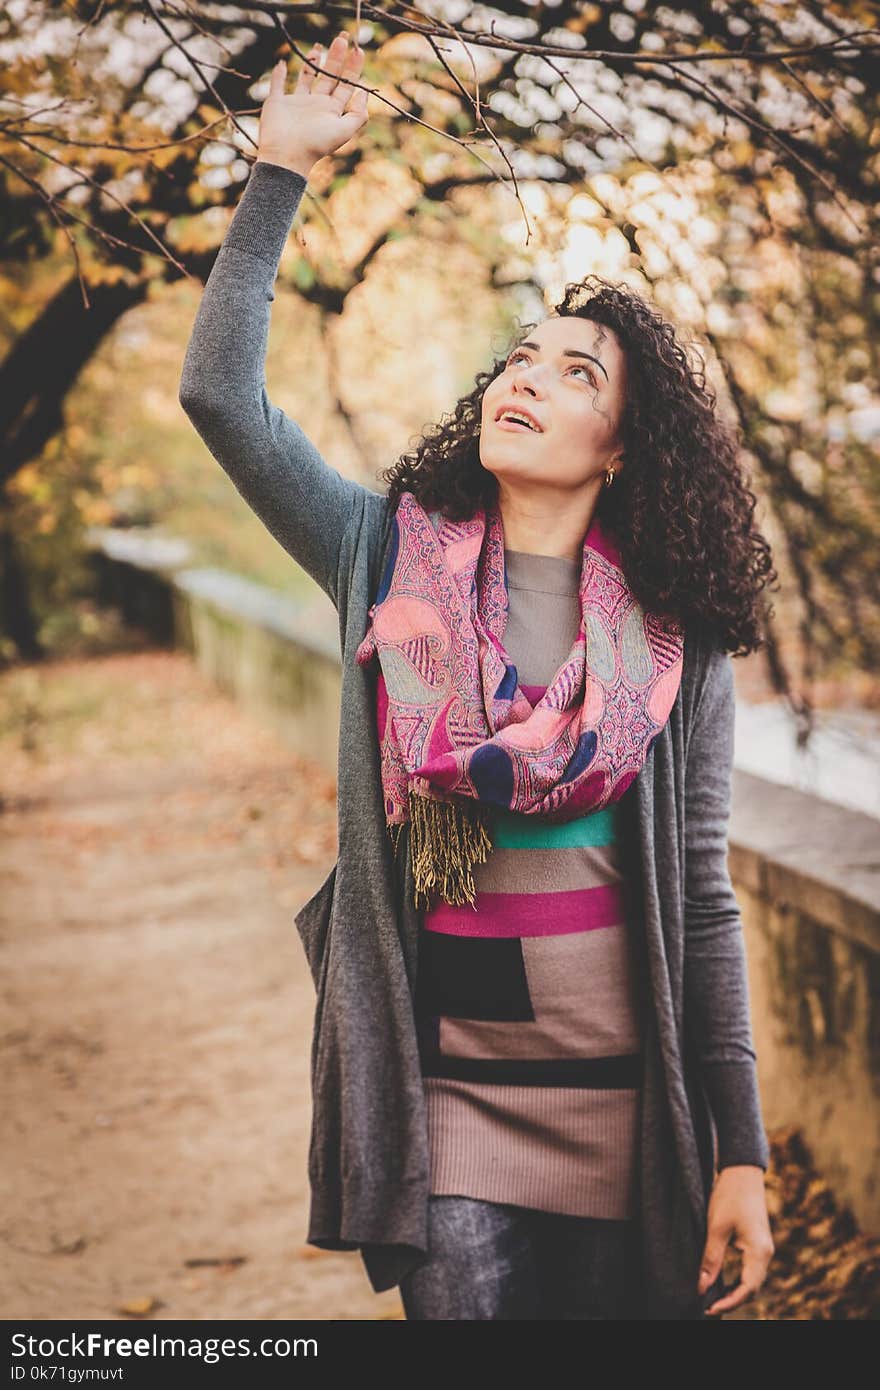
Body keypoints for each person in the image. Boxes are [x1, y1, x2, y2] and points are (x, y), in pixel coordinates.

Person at [179, 29, 776, 1320]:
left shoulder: (679, 634)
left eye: (578, 373)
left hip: (631, 1121)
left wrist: (743, 1148)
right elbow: (222, 396)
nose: (530, 377)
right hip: (452, 1120)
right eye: (526, 354)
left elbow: (705, 903)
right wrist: (279, 168)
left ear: (623, 445)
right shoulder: (385, 556)